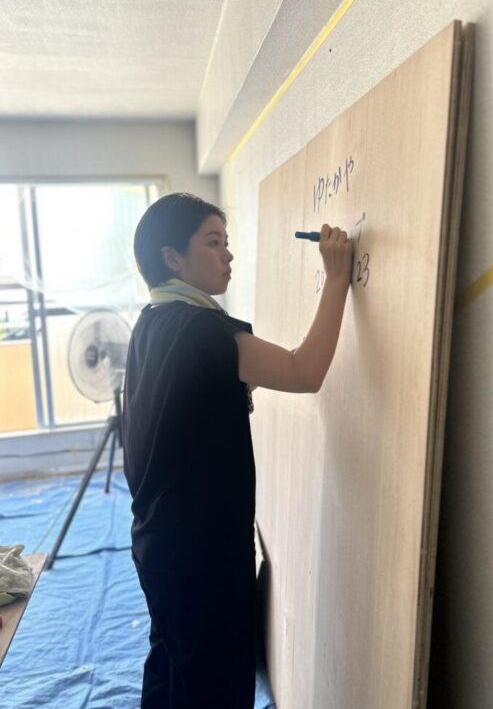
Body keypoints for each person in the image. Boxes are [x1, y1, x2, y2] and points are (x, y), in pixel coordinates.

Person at [122, 192, 353, 708]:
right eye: (213, 243)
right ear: (172, 257)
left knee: (172, 668)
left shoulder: (152, 324)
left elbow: (194, 397)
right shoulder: (205, 331)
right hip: (201, 554)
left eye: (226, 242)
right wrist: (337, 277)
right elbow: (304, 371)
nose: (228, 255)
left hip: (160, 543)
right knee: (215, 686)